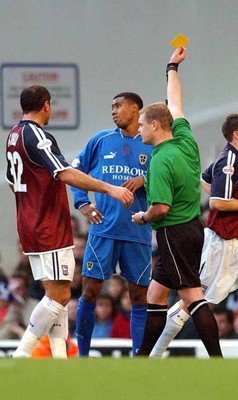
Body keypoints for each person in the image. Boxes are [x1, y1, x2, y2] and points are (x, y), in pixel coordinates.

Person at [5, 84, 133, 359]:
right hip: (47, 224)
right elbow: (64, 173)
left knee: (57, 292)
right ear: (47, 106)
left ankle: (61, 360)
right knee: (60, 296)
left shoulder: (14, 135)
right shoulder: (37, 135)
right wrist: (109, 189)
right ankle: (21, 356)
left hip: (28, 222)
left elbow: (10, 181)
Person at [132, 47, 222, 357]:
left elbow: (161, 209)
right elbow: (176, 103)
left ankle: (219, 362)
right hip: (193, 227)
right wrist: (172, 67)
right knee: (155, 296)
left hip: (174, 232)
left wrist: (142, 217)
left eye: (142, 125)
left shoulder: (159, 162)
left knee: (194, 298)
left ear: (155, 126)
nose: (139, 130)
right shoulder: (185, 140)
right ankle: (142, 360)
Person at [71, 92, 153, 356]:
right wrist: (82, 202)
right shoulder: (101, 140)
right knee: (90, 292)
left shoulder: (152, 144)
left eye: (118, 106)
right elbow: (76, 170)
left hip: (137, 230)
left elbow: (170, 183)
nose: (113, 111)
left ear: (135, 109)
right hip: (103, 229)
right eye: (112, 106)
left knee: (140, 297)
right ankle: (82, 355)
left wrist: (146, 180)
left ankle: (139, 358)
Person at [150, 113, 238, 357]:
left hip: (232, 238)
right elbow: (218, 202)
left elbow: (204, 178)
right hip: (224, 239)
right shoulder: (229, 159)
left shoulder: (228, 158)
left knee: (196, 299)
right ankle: (156, 352)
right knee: (197, 300)